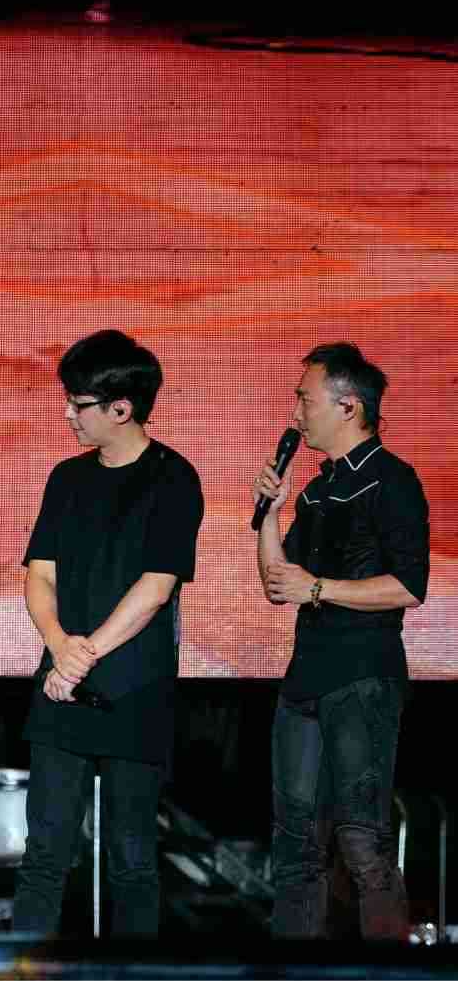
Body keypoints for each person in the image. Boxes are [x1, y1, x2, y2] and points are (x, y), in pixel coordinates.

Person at [13, 329, 203, 937]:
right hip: (61, 686)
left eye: (79, 404)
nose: (68, 414)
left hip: (133, 689)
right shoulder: (67, 478)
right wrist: (59, 647)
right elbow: (39, 574)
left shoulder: (173, 478)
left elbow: (157, 586)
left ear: (122, 409)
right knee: (43, 856)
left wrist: (84, 653)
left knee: (131, 861)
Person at [254, 342, 428, 939]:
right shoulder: (315, 490)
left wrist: (320, 587)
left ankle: (391, 970)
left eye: (305, 399)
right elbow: (278, 585)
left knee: (362, 839)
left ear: (349, 406)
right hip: (305, 679)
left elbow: (408, 586)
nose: (296, 413)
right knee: (295, 841)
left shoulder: (392, 480)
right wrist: (271, 515)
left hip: (362, 676)